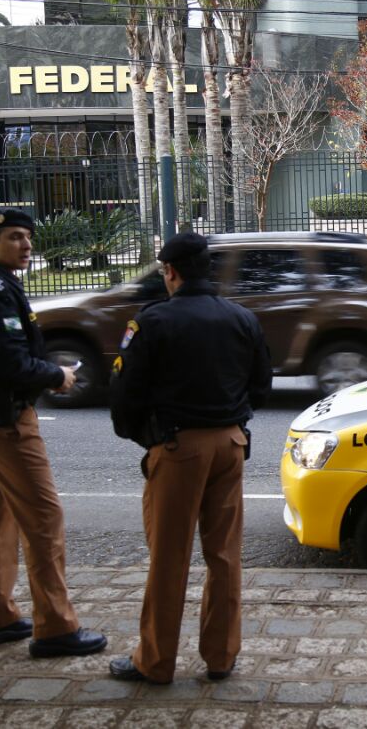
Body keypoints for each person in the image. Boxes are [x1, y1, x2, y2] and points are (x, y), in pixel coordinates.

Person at [0, 207, 108, 658]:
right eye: (14, 237)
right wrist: (57, 376)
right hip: (4, 419)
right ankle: (55, 627)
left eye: (28, 237)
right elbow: (7, 362)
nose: (26, 245)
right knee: (43, 516)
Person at [107, 232, 272, 684]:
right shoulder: (241, 318)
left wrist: (147, 439)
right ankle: (220, 656)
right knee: (224, 554)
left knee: (169, 556)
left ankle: (155, 661)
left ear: (171, 272)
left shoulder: (152, 321)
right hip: (230, 444)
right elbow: (261, 386)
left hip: (178, 448)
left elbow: (125, 394)